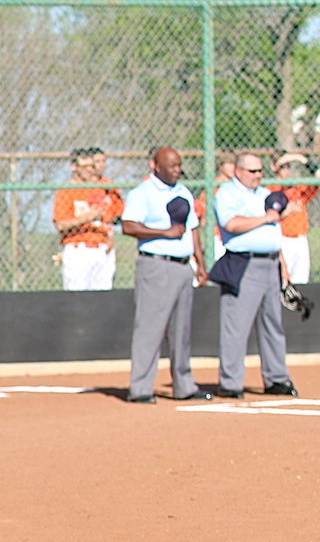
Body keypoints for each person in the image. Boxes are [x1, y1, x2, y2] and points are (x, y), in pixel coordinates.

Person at [120, 147, 211, 403]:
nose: (177, 170)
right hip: (156, 265)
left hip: (183, 267)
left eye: (179, 165)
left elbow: (192, 229)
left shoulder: (183, 192)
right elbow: (128, 226)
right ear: (154, 165)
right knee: (150, 328)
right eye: (171, 165)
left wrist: (199, 264)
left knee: (181, 330)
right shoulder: (142, 193)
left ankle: (184, 385)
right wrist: (164, 233)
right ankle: (140, 388)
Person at [213, 153, 298, 398]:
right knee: (236, 327)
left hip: (270, 263)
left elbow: (273, 232)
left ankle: (277, 379)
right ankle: (230, 382)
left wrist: (283, 266)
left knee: (272, 324)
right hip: (243, 263)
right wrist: (266, 217)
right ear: (238, 171)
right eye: (252, 171)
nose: (258, 175)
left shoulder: (263, 194)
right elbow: (231, 224)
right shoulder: (228, 193)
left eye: (260, 171)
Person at [52, 147, 124, 290]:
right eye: (84, 166)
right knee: (77, 299)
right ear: (74, 167)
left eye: (92, 166)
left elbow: (111, 217)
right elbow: (60, 224)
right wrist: (87, 217)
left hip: (102, 249)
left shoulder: (100, 188)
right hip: (79, 249)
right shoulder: (66, 190)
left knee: (102, 297)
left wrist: (109, 235)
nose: (90, 170)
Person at [271, 152, 315, 284]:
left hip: (300, 239)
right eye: (284, 166)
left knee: (302, 279)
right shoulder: (272, 188)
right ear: (274, 167)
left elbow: (317, 174)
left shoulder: (297, 189)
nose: (286, 170)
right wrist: (285, 212)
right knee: (283, 280)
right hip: (283, 239)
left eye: (288, 166)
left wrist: (302, 159)